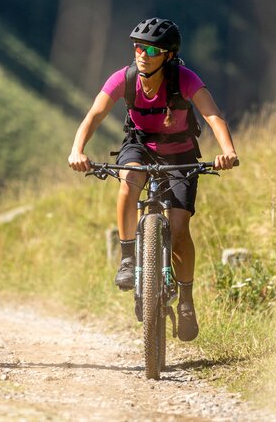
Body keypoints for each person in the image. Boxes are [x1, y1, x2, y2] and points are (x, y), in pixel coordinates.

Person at [68, 18, 237, 341]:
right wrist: (77, 150)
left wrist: (227, 151)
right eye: (136, 47)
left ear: (169, 56)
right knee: (129, 177)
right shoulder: (125, 78)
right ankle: (129, 258)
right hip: (140, 146)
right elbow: (93, 116)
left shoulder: (185, 80)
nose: (141, 54)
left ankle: (186, 299)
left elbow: (213, 117)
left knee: (179, 229)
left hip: (180, 153)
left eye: (150, 49)